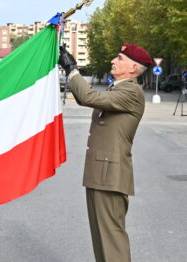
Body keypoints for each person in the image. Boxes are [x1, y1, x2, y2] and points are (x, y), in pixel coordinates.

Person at [64, 43, 152, 262]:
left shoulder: (131, 92)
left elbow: (89, 97)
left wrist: (72, 70)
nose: (113, 60)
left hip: (111, 176)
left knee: (112, 241)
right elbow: (86, 96)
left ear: (133, 68)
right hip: (100, 174)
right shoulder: (118, 89)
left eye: (119, 58)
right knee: (101, 239)